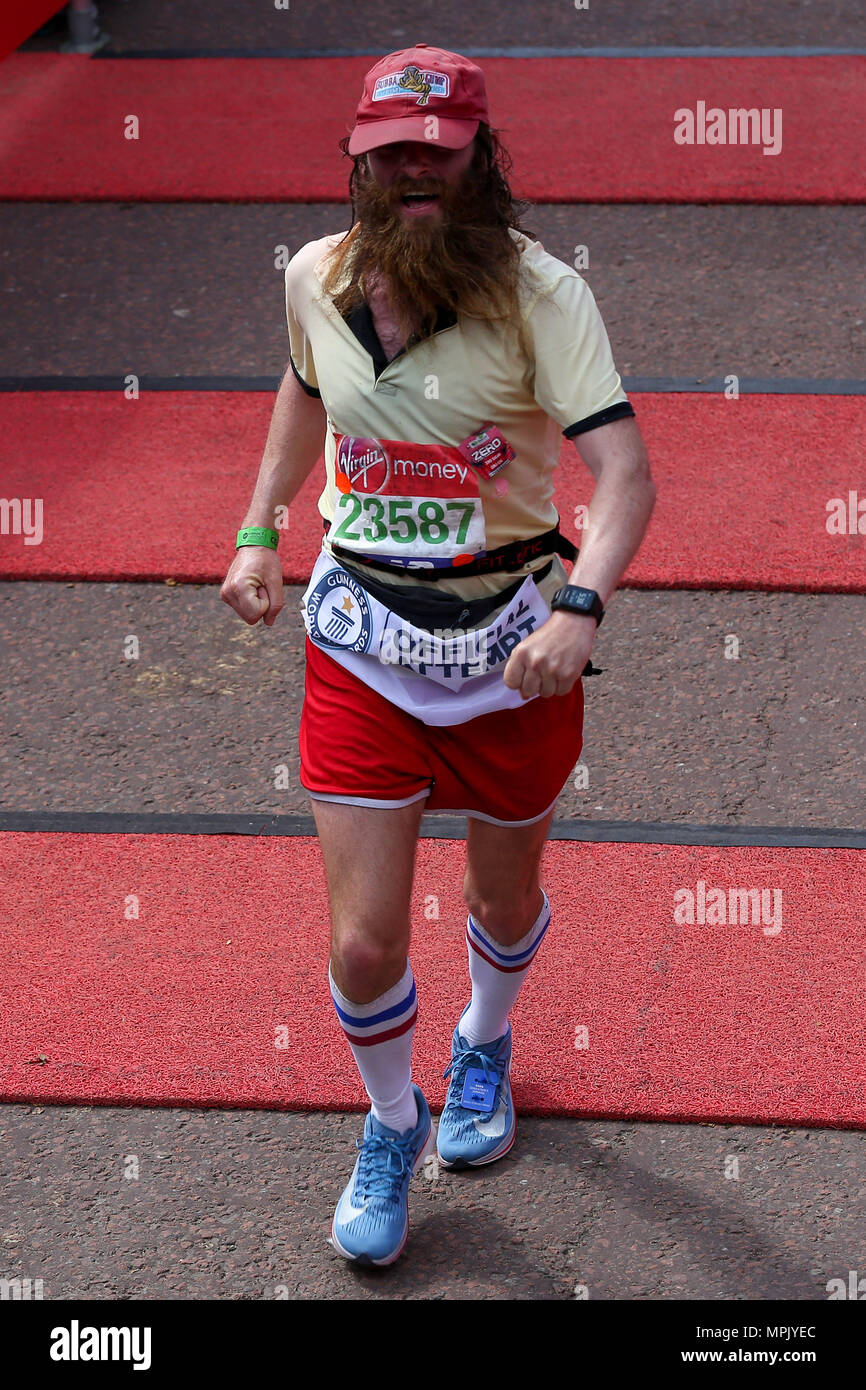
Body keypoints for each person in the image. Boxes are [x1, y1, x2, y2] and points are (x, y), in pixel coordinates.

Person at [221, 43, 656, 1267]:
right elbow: (305, 390)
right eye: (389, 152)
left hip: (513, 651)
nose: (414, 170)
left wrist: (580, 608)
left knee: (497, 896)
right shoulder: (313, 275)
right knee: (363, 941)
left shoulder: (544, 296)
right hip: (359, 638)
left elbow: (624, 477)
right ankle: (389, 1119)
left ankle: (481, 1042)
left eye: (437, 149)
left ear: (479, 156)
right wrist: (260, 527)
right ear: (360, 160)